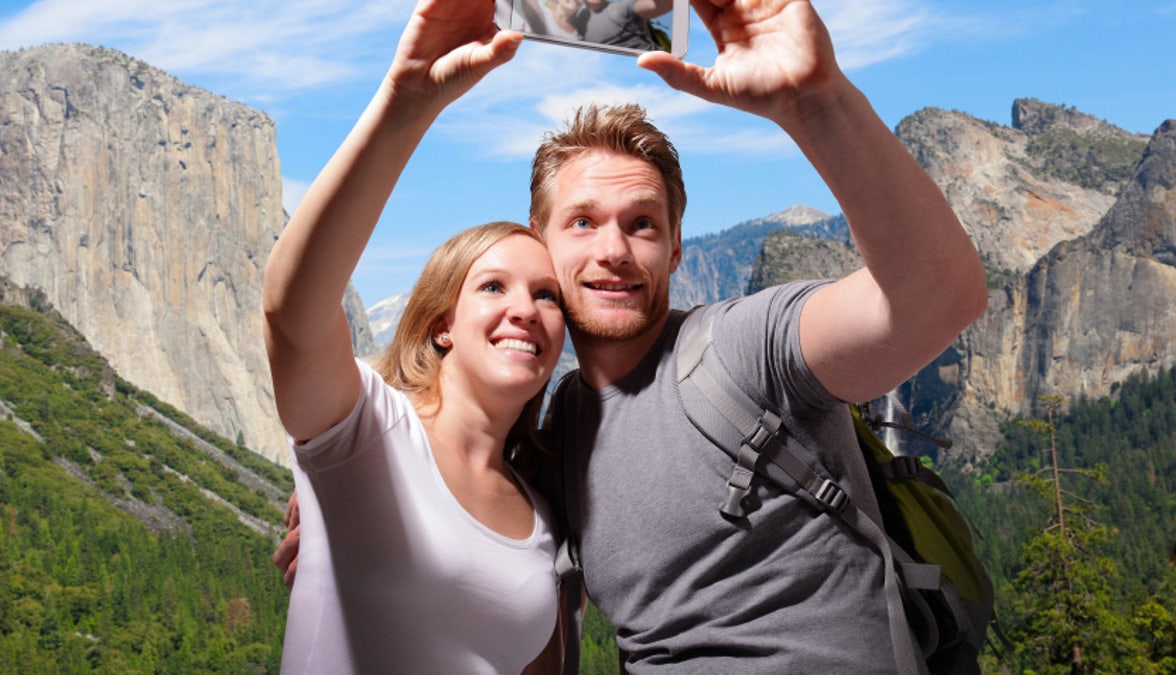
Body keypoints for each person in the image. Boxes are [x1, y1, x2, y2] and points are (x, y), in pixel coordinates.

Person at [274, 0, 989, 671]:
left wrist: (816, 99)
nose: (614, 249)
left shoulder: (745, 348)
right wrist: (344, 496)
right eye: (583, 221)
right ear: (542, 243)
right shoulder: (558, 436)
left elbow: (938, 295)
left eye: (642, 224)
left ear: (677, 249)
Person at [261, 10, 567, 671]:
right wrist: (407, 103)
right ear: (441, 324)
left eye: (547, 294)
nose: (525, 309)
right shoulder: (365, 431)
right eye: (493, 287)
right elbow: (294, 313)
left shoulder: (543, 513)